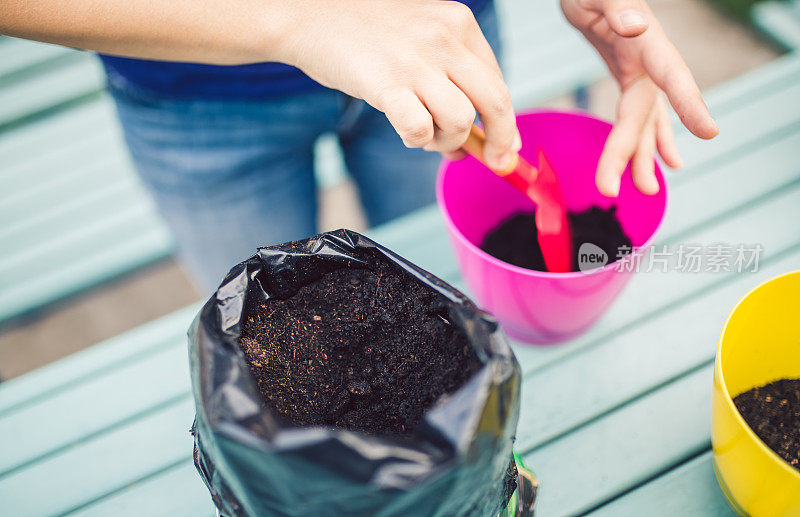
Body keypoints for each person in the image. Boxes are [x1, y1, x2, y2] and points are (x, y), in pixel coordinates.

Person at [2, 0, 718, 290]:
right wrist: (298, 18)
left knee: (436, 282)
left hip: (440, 56)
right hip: (198, 102)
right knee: (277, 326)